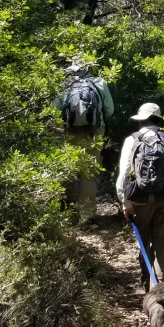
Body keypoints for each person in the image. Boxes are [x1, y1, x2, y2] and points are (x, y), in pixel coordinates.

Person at [117, 102, 164, 285]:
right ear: (158, 119)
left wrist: (125, 201)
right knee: (162, 246)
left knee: (144, 242)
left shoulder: (132, 140)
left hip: (139, 200)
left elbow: (124, 174)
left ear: (141, 120)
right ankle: (162, 288)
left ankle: (148, 285)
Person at [55, 64, 114, 220]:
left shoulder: (65, 84)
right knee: (90, 172)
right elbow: (110, 110)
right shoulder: (99, 82)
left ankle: (68, 211)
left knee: (71, 169)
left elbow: (55, 108)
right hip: (94, 133)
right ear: (88, 68)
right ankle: (87, 215)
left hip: (71, 132)